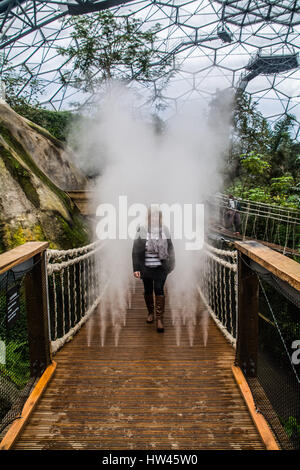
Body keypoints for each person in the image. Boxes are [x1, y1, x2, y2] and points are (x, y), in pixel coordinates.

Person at [132, 207, 175, 333]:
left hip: (161, 268)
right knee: (148, 290)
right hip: (145, 267)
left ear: (160, 218)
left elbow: (170, 247)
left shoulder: (165, 230)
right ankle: (150, 312)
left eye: (157, 216)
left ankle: (159, 319)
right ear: (149, 217)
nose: (155, 218)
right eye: (152, 216)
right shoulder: (142, 230)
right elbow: (135, 250)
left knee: (159, 289)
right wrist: (136, 268)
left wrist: (172, 264)